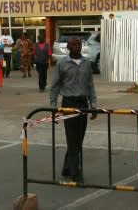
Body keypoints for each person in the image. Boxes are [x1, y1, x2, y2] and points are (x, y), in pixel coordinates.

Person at [49, 37, 97, 183]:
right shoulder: (62, 64)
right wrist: (53, 108)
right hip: (68, 103)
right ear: (68, 47)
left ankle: (67, 168)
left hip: (83, 104)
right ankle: (76, 173)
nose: (77, 47)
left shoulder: (86, 63)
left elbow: (90, 85)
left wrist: (93, 105)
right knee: (72, 138)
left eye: (79, 44)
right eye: (73, 45)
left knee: (78, 139)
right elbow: (55, 86)